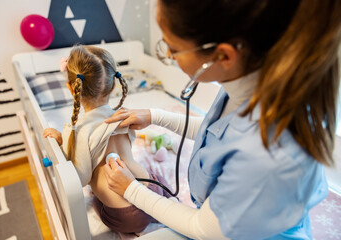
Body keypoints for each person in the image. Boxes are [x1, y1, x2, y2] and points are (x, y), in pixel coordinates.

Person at [103, 0, 341, 239]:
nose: (167, 54)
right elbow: (218, 134)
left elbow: (202, 229)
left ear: (223, 56)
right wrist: (156, 116)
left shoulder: (269, 153)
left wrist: (131, 189)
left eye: (174, 49)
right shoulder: (243, 81)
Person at [43, 45, 174, 234]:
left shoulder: (78, 130)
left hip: (126, 214)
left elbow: (80, 178)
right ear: (113, 85)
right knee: (152, 175)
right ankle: (168, 205)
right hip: (153, 193)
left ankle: (138, 230)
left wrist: (62, 143)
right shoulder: (125, 116)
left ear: (72, 88)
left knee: (95, 197)